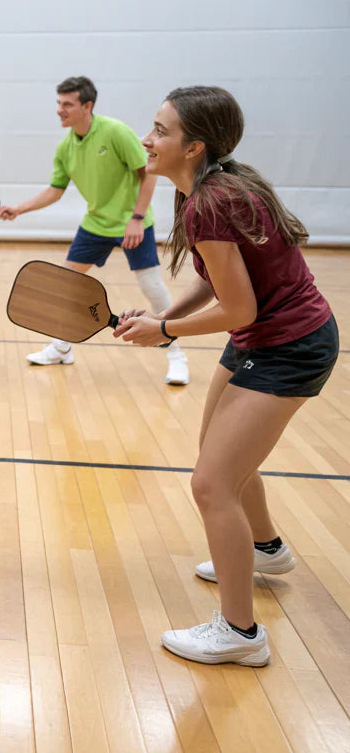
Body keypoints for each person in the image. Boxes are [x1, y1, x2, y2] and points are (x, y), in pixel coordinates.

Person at [114, 86, 337, 666]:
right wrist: (165, 315)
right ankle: (264, 549)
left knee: (211, 484)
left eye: (161, 130)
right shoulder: (214, 188)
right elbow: (219, 280)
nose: (148, 139)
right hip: (266, 340)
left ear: (194, 146)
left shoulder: (211, 202)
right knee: (220, 459)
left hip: (289, 346)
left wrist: (164, 335)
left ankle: (241, 635)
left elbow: (241, 310)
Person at [0, 76, 189, 385]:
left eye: (67, 104)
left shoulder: (115, 132)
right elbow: (55, 191)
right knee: (64, 284)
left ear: (87, 106)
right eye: (59, 103)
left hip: (133, 221)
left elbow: (148, 174)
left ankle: (176, 356)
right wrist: (19, 209)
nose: (60, 110)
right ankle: (62, 348)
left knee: (151, 285)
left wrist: (137, 218)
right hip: (96, 224)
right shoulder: (65, 147)